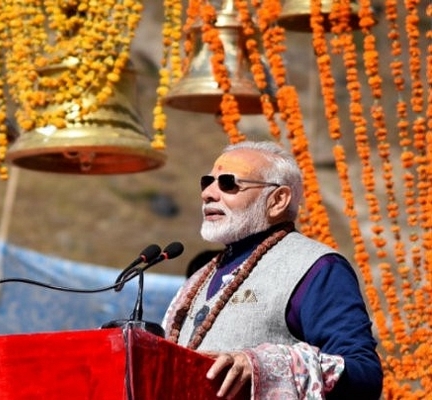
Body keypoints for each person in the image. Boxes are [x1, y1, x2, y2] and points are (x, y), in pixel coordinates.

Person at [162, 141, 383, 399]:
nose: (208, 194)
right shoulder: (201, 277)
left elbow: (365, 375)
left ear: (277, 200)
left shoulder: (317, 268)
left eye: (228, 183)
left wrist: (265, 367)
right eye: (207, 182)